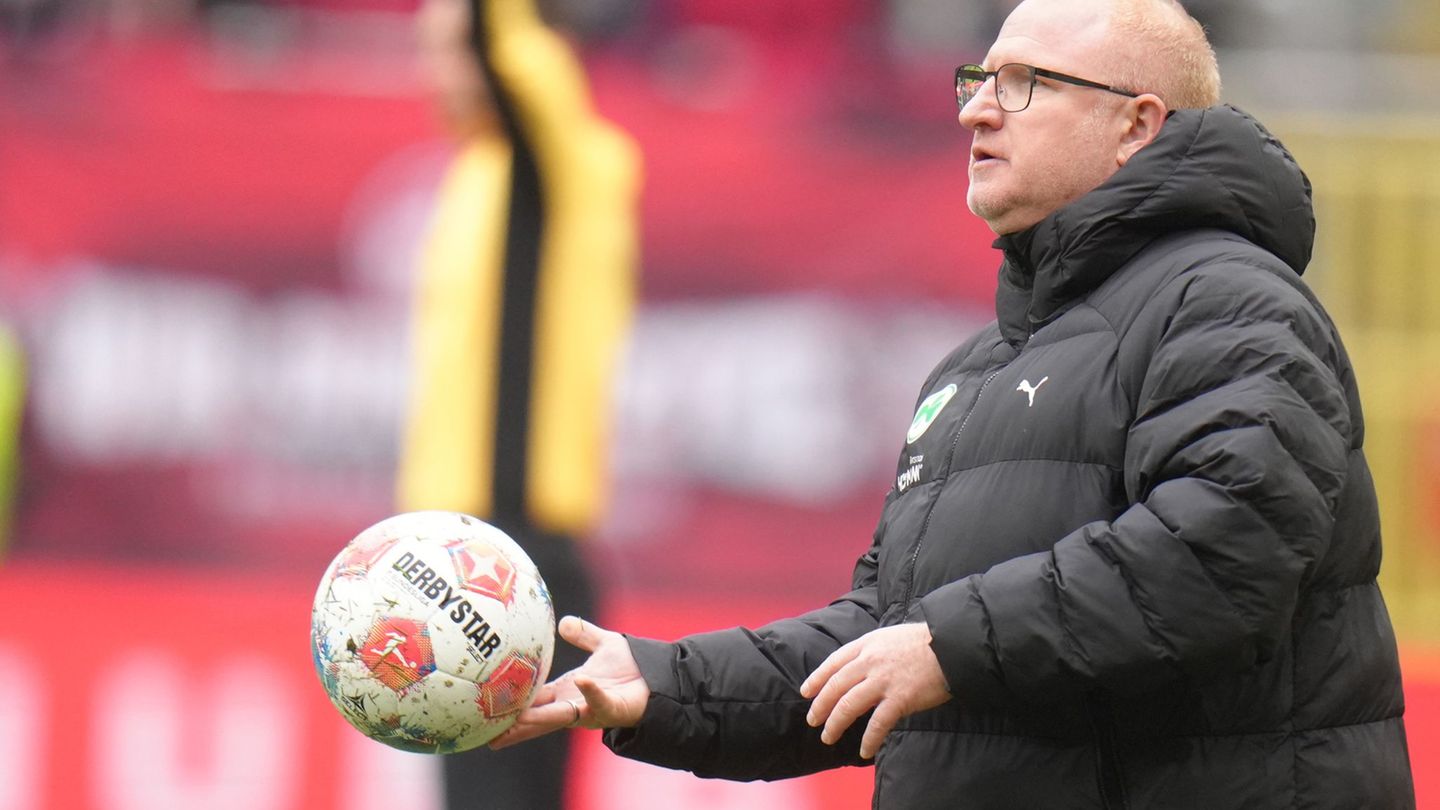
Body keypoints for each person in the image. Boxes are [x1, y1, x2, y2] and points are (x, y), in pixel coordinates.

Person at [490, 0, 1418, 807]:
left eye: (1024, 83)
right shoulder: (974, 369)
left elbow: (1223, 550)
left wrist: (949, 643)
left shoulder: (1230, 300)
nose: (975, 108)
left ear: (1136, 123)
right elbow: (884, 636)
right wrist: (659, 684)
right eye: (978, 77)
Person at [398, 0, 639, 807]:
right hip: (458, 554)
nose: (438, 72)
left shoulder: (563, 156)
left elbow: (514, 52)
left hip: (513, 561)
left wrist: (491, 26)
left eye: (455, 49)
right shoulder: (480, 170)